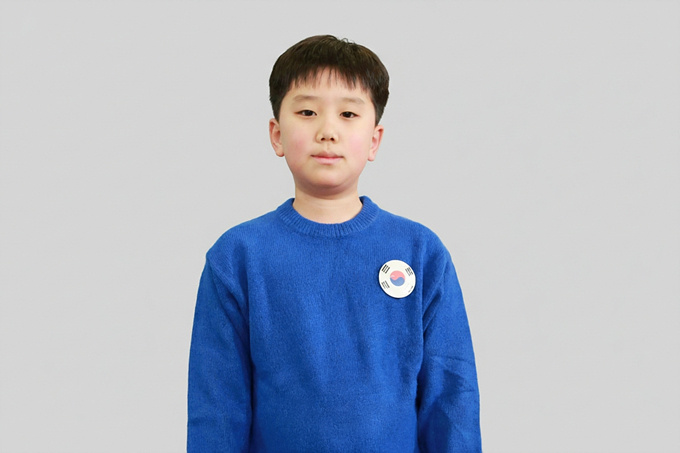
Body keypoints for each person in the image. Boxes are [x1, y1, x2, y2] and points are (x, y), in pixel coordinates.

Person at [187, 34, 481, 452]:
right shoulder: (237, 257)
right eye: (307, 112)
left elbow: (453, 400)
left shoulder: (421, 252)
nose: (327, 131)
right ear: (276, 134)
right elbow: (216, 407)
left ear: (375, 139)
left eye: (348, 114)